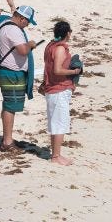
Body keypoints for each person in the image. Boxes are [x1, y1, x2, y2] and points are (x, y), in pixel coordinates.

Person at [0, 4, 41, 151]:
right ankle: (7, 142)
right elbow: (22, 50)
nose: (27, 25)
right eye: (27, 22)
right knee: (10, 106)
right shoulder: (13, 30)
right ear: (22, 18)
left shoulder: (4, 24)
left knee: (9, 104)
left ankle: (7, 138)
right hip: (11, 73)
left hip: (8, 71)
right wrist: (31, 45)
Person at [40, 19, 82, 165]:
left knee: (55, 123)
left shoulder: (50, 46)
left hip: (52, 89)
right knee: (59, 123)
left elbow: (49, 68)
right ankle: (56, 157)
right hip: (58, 89)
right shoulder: (59, 48)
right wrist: (74, 71)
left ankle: (55, 154)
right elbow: (57, 70)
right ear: (68, 33)